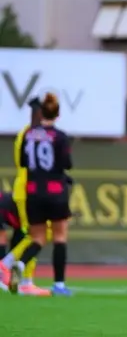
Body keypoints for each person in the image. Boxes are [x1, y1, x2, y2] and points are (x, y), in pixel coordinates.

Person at [2, 93, 74, 296]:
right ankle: (55, 283)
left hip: (33, 191)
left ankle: (20, 267)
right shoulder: (57, 136)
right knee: (56, 236)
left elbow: (23, 162)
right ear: (57, 114)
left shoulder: (28, 135)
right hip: (51, 190)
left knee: (38, 237)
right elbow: (66, 163)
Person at [7, 98, 52, 296]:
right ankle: (6, 264)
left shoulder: (28, 133)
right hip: (29, 189)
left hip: (30, 188)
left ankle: (26, 280)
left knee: (38, 234)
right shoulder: (32, 134)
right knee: (36, 235)